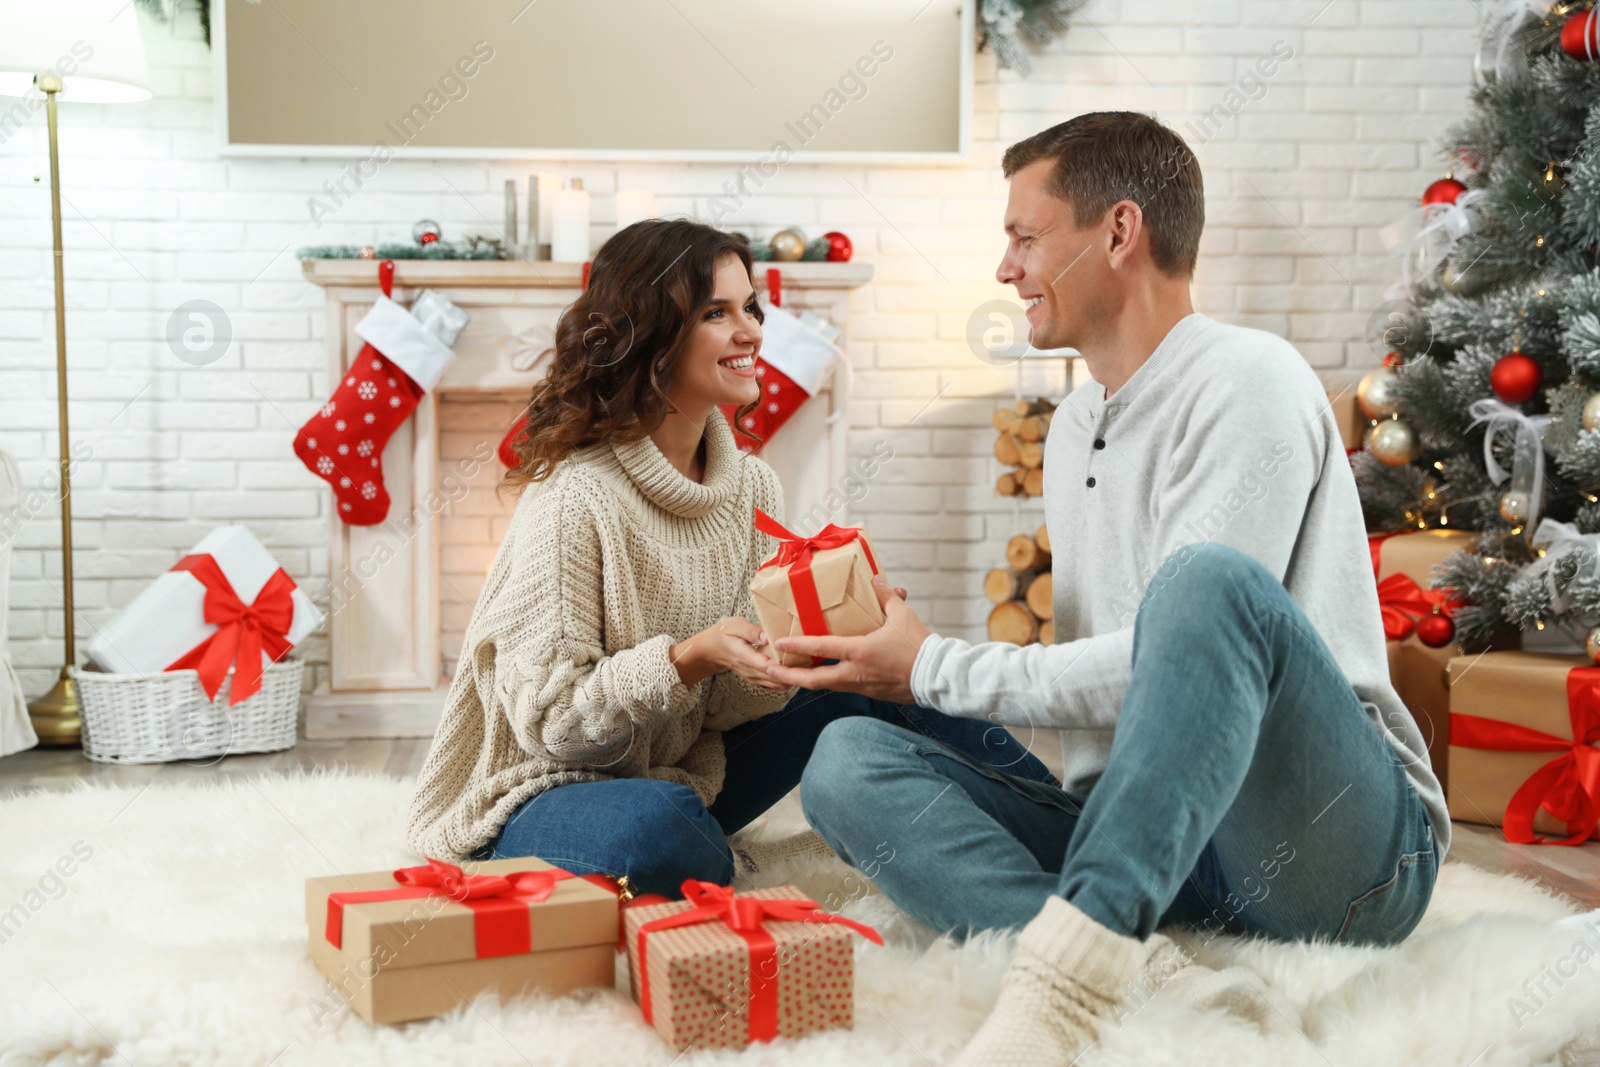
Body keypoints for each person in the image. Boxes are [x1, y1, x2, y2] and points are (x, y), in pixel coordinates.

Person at [764, 112, 1449, 1064]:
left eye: (1024, 236)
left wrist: (933, 666)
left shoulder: (1247, 379)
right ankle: (1148, 973)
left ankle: (1065, 987)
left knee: (1204, 584)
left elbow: (1162, 665)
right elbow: (1111, 707)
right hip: (1159, 844)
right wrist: (907, 669)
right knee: (844, 762)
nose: (1006, 268)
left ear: (1119, 233)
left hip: (1340, 858)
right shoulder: (1078, 419)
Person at [405, 218, 1052, 897]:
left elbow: (723, 710)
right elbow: (553, 726)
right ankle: (696, 852)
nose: (751, 333)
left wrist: (796, 652)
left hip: (685, 771)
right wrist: (691, 656)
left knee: (870, 673)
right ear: (650, 332)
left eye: (751, 308)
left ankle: (1073, 825)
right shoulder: (574, 497)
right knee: (662, 830)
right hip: (541, 792)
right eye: (718, 312)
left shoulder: (751, 487)